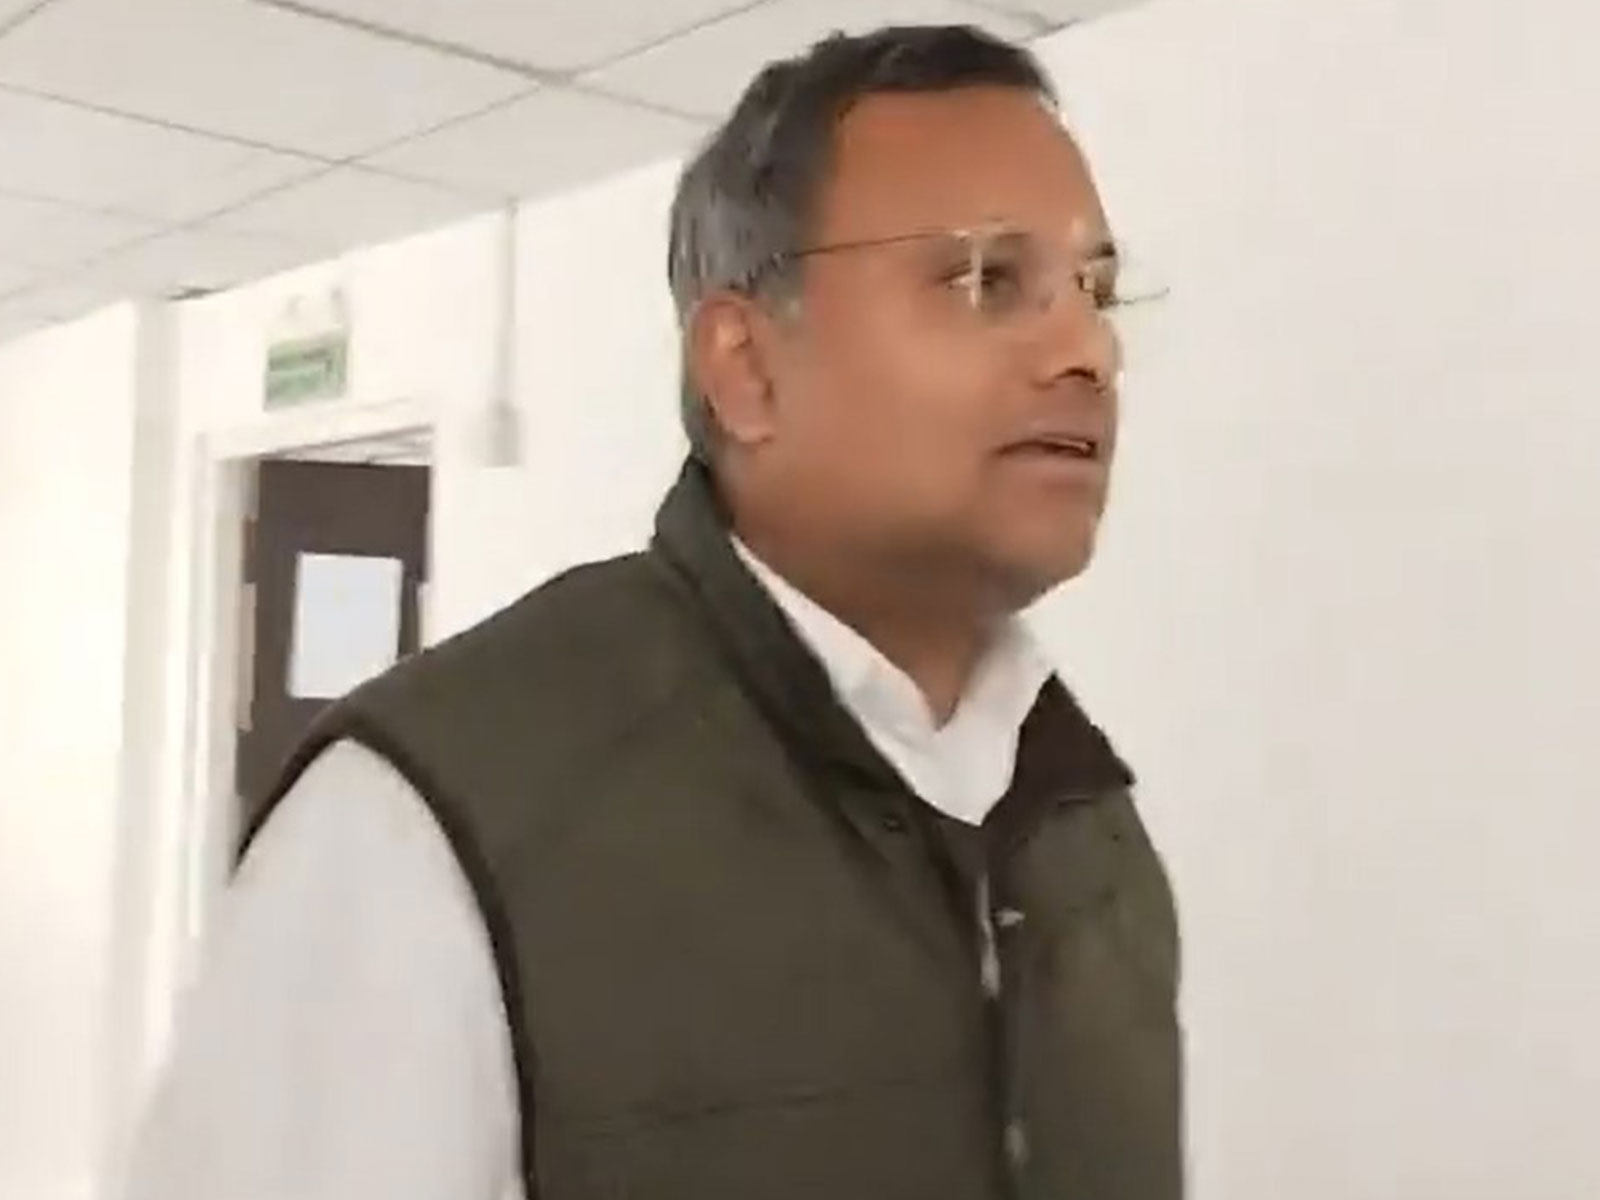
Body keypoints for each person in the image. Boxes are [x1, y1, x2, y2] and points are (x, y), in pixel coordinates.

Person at [124, 23, 1182, 1200]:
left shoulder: (1084, 825)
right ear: (745, 368)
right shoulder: (425, 828)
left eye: (1096, 289)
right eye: (986, 279)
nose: (1089, 350)